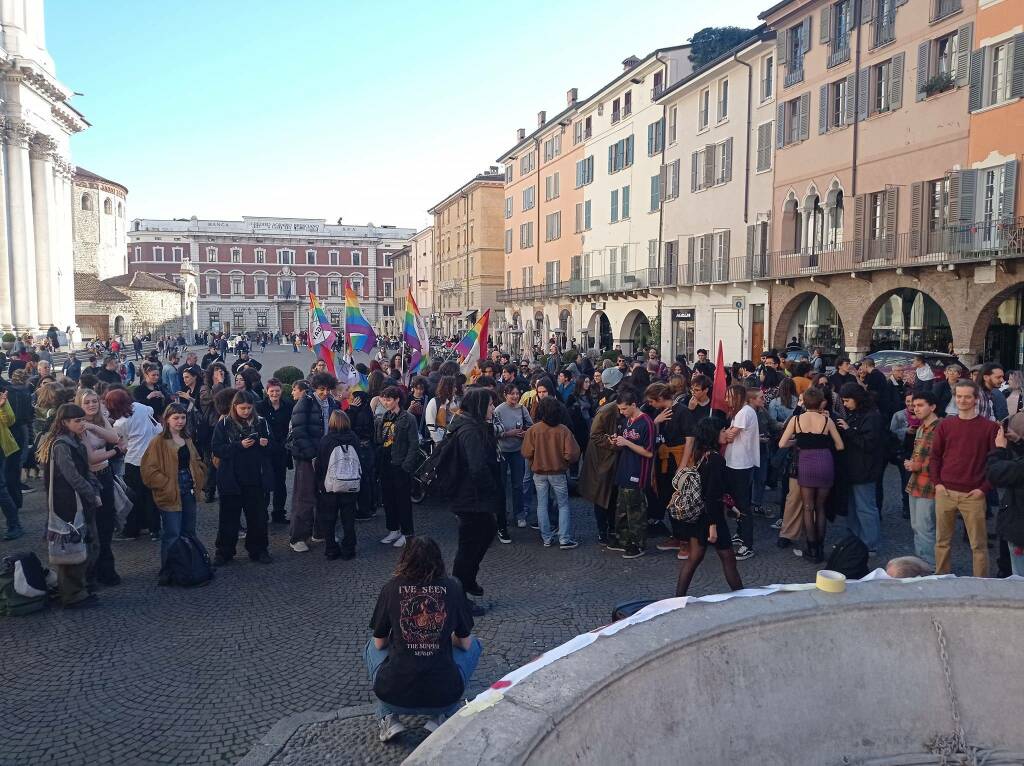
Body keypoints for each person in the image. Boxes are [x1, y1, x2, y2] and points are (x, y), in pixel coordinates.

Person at [364, 536, 482, 742]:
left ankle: (387, 715)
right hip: (443, 696)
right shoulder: (452, 588)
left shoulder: (391, 588)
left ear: (404, 559)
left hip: (393, 696)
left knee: (370, 646)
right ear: (439, 560)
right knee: (475, 644)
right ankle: (443, 715)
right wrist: (442, 638)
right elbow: (465, 643)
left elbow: (379, 643)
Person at [929, 379, 999, 576]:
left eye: (967, 396)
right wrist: (938, 484)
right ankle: (942, 578)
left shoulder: (989, 428)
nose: (962, 400)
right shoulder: (945, 425)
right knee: (942, 542)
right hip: (945, 492)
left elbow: (995, 464)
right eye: (959, 396)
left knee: (979, 545)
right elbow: (934, 457)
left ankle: (980, 582)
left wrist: (983, 489)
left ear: (976, 399)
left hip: (973, 495)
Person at [38, 403, 102, 608]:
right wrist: (91, 493)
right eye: (77, 421)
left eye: (83, 420)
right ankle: (72, 595)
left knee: (88, 545)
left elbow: (83, 470)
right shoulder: (61, 445)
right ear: (65, 422)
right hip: (67, 504)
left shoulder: (72, 441)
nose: (82, 424)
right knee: (70, 550)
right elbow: (72, 476)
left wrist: (93, 488)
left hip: (77, 501)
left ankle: (81, 588)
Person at [446, 387, 502, 615]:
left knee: (487, 531)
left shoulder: (473, 425)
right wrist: (491, 488)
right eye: (489, 405)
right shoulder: (469, 429)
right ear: (479, 406)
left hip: (472, 494)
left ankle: (467, 579)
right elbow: (477, 466)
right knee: (468, 545)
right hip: (469, 496)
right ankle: (459, 596)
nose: (492, 408)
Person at [674, 418, 744, 596]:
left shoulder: (701, 455)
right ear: (713, 434)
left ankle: (678, 598)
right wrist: (713, 526)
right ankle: (743, 597)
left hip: (699, 516)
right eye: (722, 431)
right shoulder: (716, 459)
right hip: (712, 517)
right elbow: (712, 495)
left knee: (694, 558)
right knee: (728, 559)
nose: (725, 433)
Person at [778, 387, 844, 562]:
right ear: (821, 402)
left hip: (805, 462)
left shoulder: (796, 419)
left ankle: (812, 547)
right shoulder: (826, 421)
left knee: (808, 506)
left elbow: (782, 443)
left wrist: (798, 441)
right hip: (825, 461)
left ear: (804, 402)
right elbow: (840, 445)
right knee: (820, 507)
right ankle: (821, 547)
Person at [140, 404, 207, 575]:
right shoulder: (158, 442)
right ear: (167, 419)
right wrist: (166, 484)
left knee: (189, 531)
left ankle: (189, 566)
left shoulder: (188, 439)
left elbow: (197, 459)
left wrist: (199, 474)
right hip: (170, 491)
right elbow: (149, 470)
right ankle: (169, 570)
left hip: (189, 489)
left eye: (183, 417)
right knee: (172, 533)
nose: (180, 421)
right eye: (176, 417)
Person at [212, 391, 273, 566]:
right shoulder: (224, 424)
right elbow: (216, 449)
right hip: (231, 478)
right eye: (242, 408)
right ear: (234, 407)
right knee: (228, 517)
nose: (246, 411)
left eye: (248, 408)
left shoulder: (261, 423)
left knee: (257, 517)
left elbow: (274, 446)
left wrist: (266, 444)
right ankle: (224, 552)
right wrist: (238, 445)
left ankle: (259, 549)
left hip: (255, 478)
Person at [74, 389, 124, 586]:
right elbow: (91, 457)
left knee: (106, 524)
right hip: (90, 478)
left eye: (94, 401)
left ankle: (106, 568)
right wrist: (116, 451)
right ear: (80, 404)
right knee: (92, 527)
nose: (92, 405)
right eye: (87, 402)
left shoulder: (98, 419)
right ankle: (92, 571)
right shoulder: (78, 426)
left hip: (105, 475)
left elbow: (113, 437)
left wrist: (95, 427)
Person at [286, 372, 339, 553]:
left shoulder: (333, 403)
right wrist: (312, 455)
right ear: (315, 388)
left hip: (326, 456)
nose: (325, 392)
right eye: (321, 389)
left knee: (325, 496)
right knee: (304, 497)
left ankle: (320, 532)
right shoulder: (305, 402)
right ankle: (298, 537)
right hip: (307, 457)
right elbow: (300, 432)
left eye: (327, 389)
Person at [521, 397, 581, 548]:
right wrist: (564, 461)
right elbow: (573, 454)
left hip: (539, 472)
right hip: (558, 472)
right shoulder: (563, 430)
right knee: (563, 505)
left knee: (541, 505)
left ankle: (546, 537)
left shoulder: (533, 430)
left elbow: (526, 452)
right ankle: (564, 538)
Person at [645, 383, 695, 557]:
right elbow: (653, 435)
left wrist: (683, 464)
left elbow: (690, 439)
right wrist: (655, 423)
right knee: (667, 497)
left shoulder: (682, 411)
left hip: (678, 458)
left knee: (681, 499)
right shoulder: (656, 413)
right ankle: (676, 535)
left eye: (652, 401)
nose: (650, 404)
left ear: (659, 398)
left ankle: (686, 540)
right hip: (663, 459)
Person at [106, 388, 162, 541]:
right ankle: (154, 528)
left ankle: (133, 529)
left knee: (134, 496)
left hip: (134, 460)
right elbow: (150, 411)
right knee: (151, 495)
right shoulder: (141, 407)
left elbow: (122, 443)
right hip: (153, 458)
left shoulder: (119, 423)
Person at [606, 388, 655, 560]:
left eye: (624, 409)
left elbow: (648, 452)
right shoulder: (627, 421)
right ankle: (623, 539)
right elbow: (624, 443)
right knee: (621, 509)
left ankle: (638, 543)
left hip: (637, 471)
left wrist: (626, 442)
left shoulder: (646, 422)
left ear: (633, 405)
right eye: (620, 409)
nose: (622, 412)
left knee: (635, 510)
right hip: (624, 469)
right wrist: (617, 442)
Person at [836, 383, 885, 555]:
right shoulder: (856, 413)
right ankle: (855, 542)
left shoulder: (872, 416)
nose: (846, 404)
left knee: (865, 508)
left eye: (847, 400)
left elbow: (868, 444)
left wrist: (849, 431)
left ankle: (871, 544)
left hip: (865, 470)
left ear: (857, 399)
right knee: (853, 508)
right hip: (853, 469)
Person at [577, 369, 623, 545]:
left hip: (610, 455)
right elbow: (595, 434)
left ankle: (610, 528)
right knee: (602, 494)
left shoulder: (608, 399)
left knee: (610, 495)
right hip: (602, 456)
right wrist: (613, 442)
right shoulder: (607, 405)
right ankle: (604, 531)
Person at [375, 386, 421, 548]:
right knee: (388, 499)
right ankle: (393, 529)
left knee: (402, 500)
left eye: (388, 399)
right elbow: (380, 440)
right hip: (386, 463)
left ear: (397, 400)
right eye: (384, 399)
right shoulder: (384, 417)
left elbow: (414, 444)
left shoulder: (408, 418)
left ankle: (407, 532)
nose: (386, 402)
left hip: (400, 464)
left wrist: (406, 466)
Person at [315, 410, 362, 560]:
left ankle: (331, 549)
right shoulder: (354, 438)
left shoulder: (326, 440)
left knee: (329, 518)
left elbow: (320, 465)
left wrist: (320, 484)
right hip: (351, 484)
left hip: (331, 486)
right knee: (348, 518)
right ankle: (349, 549)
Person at [722, 385, 760, 560]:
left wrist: (724, 433)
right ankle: (740, 533)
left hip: (741, 464)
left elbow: (729, 436)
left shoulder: (744, 412)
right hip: (734, 462)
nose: (727, 400)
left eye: (729, 396)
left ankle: (747, 544)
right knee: (735, 502)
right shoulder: (740, 412)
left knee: (743, 504)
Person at [904, 391, 940, 568]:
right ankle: (922, 565)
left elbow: (943, 458)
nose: (915, 409)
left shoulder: (940, 428)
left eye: (920, 405)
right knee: (916, 526)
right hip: (916, 483)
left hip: (931, 485)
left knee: (926, 528)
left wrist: (917, 466)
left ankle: (931, 567)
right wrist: (912, 463)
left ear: (932, 407)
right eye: (913, 405)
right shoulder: (920, 427)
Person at [492, 384, 532, 539]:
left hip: (517, 450)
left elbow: (530, 426)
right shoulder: (498, 410)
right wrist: (509, 433)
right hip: (502, 450)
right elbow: (494, 431)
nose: (515, 396)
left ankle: (519, 514)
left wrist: (525, 432)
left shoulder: (522, 409)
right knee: (501, 485)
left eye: (517, 394)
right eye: (512, 394)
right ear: (505, 395)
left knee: (518, 484)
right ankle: (501, 515)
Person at [986, 418, 1024, 576]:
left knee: (1019, 579)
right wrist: (1019, 441)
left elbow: (995, 473)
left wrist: (999, 449)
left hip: (1019, 530)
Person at [256, 378, 293, 525]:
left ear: (281, 391)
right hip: (265, 450)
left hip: (282, 449)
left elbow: (291, 426)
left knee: (280, 483)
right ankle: (262, 514)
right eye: (272, 391)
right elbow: (256, 426)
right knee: (264, 483)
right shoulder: (260, 407)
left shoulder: (288, 406)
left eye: (277, 391)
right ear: (267, 391)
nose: (275, 393)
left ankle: (279, 513)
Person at [199, 362, 230, 502]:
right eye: (217, 372)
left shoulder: (226, 387)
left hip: (225, 427)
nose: (220, 374)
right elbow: (215, 398)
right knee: (210, 461)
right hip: (211, 428)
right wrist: (219, 383)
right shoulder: (205, 388)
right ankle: (209, 490)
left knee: (225, 460)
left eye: (222, 371)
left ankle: (225, 489)